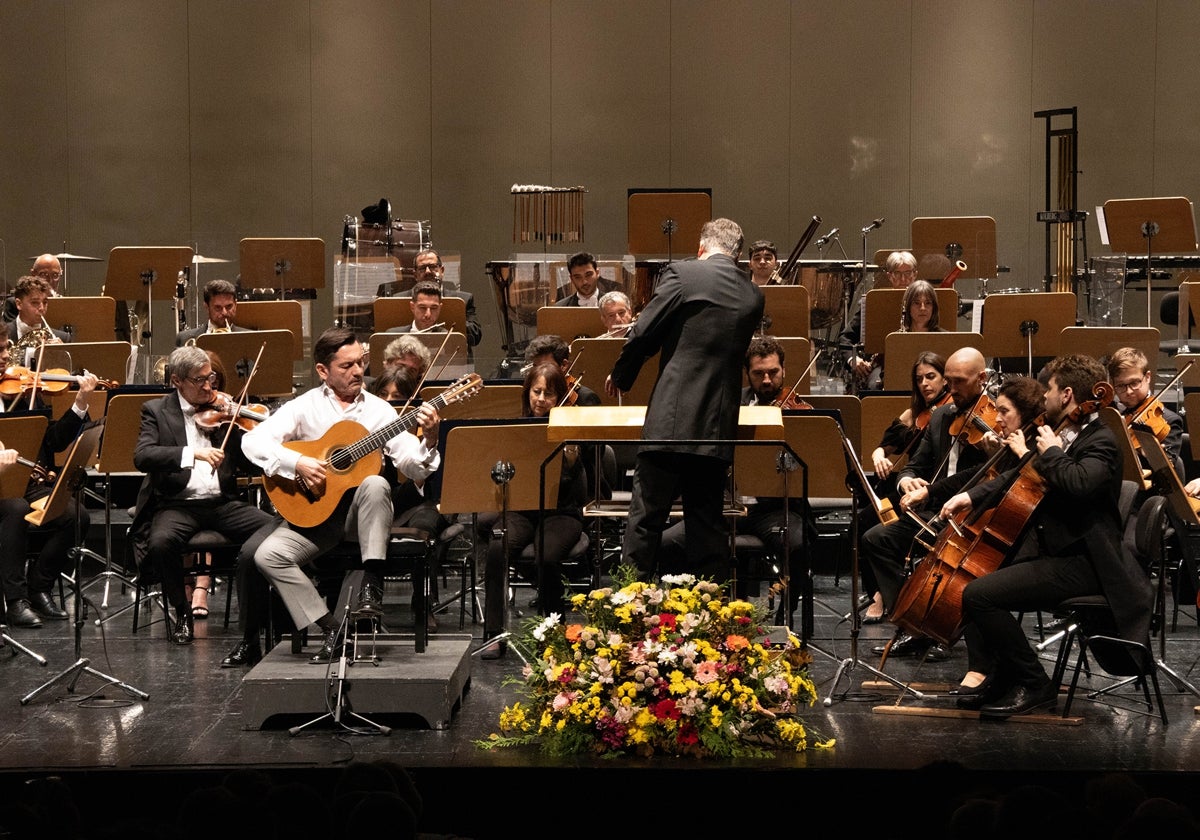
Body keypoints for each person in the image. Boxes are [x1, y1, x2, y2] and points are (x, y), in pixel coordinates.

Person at [941, 354, 1153, 717]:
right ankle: (1006, 677)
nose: (1044, 399)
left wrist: (1052, 451)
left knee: (980, 595)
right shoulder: (1067, 434)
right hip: (1057, 552)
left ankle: (1035, 683)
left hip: (1087, 561)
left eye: (1050, 391)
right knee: (974, 581)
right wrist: (968, 495)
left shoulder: (1101, 440)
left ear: (1067, 394)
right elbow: (1020, 475)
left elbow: (1079, 484)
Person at [240, 327, 441, 662]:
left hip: (357, 519)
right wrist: (299, 462)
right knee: (266, 556)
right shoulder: (302, 407)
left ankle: (372, 586)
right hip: (315, 516)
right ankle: (330, 627)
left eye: (360, 363)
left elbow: (413, 465)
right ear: (323, 371)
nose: (358, 371)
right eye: (346, 366)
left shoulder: (379, 411)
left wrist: (430, 439)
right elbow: (252, 442)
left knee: (376, 483)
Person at [605, 218, 764, 580]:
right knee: (707, 525)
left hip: (671, 421)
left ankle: (630, 609)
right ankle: (712, 615)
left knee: (646, 519)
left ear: (701, 248)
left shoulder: (683, 274)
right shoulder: (753, 294)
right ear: (738, 253)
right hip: (717, 427)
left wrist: (623, 374)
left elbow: (646, 331)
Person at [130, 345, 277, 649]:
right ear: (176, 381)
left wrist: (239, 427)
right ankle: (181, 614)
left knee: (276, 529)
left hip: (222, 504)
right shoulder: (155, 410)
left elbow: (250, 461)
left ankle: (260, 614)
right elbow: (143, 456)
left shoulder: (222, 411)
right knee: (160, 543)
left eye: (210, 377)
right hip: (177, 505)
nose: (209, 386)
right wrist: (192, 453)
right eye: (199, 381)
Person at [916, 374, 1047, 694]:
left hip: (1032, 542)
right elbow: (977, 479)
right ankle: (990, 665)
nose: (996, 419)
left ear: (1025, 414)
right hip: (1006, 535)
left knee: (976, 579)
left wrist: (1020, 455)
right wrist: (933, 492)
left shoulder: (1037, 446)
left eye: (1004, 412)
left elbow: (1025, 488)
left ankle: (984, 666)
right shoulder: (1011, 443)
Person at [658, 335, 813, 601]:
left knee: (798, 545)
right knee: (667, 543)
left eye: (773, 373)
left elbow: (809, 466)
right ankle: (690, 610)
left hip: (775, 508)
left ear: (784, 370)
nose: (766, 380)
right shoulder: (727, 403)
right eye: (758, 373)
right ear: (746, 373)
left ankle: (783, 614)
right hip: (727, 504)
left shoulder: (800, 411)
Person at [863, 346, 993, 659]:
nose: (952, 388)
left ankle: (939, 630)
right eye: (949, 381)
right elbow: (915, 463)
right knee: (876, 539)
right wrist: (905, 479)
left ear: (983, 378)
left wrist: (930, 492)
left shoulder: (993, 422)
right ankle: (910, 623)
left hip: (967, 513)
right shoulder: (941, 417)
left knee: (936, 552)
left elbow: (979, 475)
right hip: (933, 509)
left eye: (960, 381)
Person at [482, 363, 590, 658]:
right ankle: (494, 633)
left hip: (561, 512)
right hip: (523, 508)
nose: (541, 399)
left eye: (549, 394)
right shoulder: (516, 428)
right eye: (536, 391)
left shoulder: (571, 427)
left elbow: (580, 491)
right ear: (527, 392)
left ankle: (554, 626)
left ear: (560, 397)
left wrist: (570, 457)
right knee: (496, 546)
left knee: (547, 554)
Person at [0, 333, 96, 628]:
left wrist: (81, 403)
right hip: (3, 491)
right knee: (15, 509)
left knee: (74, 515)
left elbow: (52, 442)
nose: (5, 357)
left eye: (5, 349)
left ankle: (39, 586)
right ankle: (14, 601)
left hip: (25, 482)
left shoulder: (24, 391)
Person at [863, 351, 951, 622]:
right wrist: (879, 454)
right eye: (920, 379)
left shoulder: (949, 412)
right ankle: (880, 591)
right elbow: (886, 445)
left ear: (945, 380)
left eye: (931, 377)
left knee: (878, 527)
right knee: (866, 518)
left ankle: (900, 600)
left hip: (937, 493)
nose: (925, 384)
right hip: (912, 488)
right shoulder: (915, 413)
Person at [840, 250, 918, 388]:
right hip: (883, 364)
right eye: (897, 274)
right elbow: (846, 338)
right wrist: (854, 360)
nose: (903, 279)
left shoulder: (925, 303)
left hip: (920, 361)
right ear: (889, 276)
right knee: (873, 387)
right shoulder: (875, 302)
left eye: (908, 273)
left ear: (915, 275)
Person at [378, 248, 482, 348]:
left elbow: (475, 337)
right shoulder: (397, 299)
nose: (428, 271)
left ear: (442, 270)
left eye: (432, 267)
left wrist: (451, 317)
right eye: (422, 268)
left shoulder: (463, 299)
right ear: (415, 274)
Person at [6, 276, 70, 366]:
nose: (42, 308)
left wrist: (61, 356)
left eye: (45, 302)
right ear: (19, 304)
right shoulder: (3, 335)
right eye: (35, 303)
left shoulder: (63, 338)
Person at [524, 334, 600, 406]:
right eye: (535, 366)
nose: (539, 372)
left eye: (545, 367)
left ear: (564, 365)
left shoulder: (585, 398)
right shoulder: (531, 392)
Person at [175, 279, 248, 345]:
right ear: (206, 306)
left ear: (235, 304)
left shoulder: (249, 338)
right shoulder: (184, 339)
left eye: (229, 306)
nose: (224, 312)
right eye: (218, 308)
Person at [555, 251, 621, 307]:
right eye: (578, 277)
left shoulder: (615, 305)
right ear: (571, 279)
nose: (584, 282)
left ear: (597, 273)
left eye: (588, 275)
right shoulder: (559, 308)